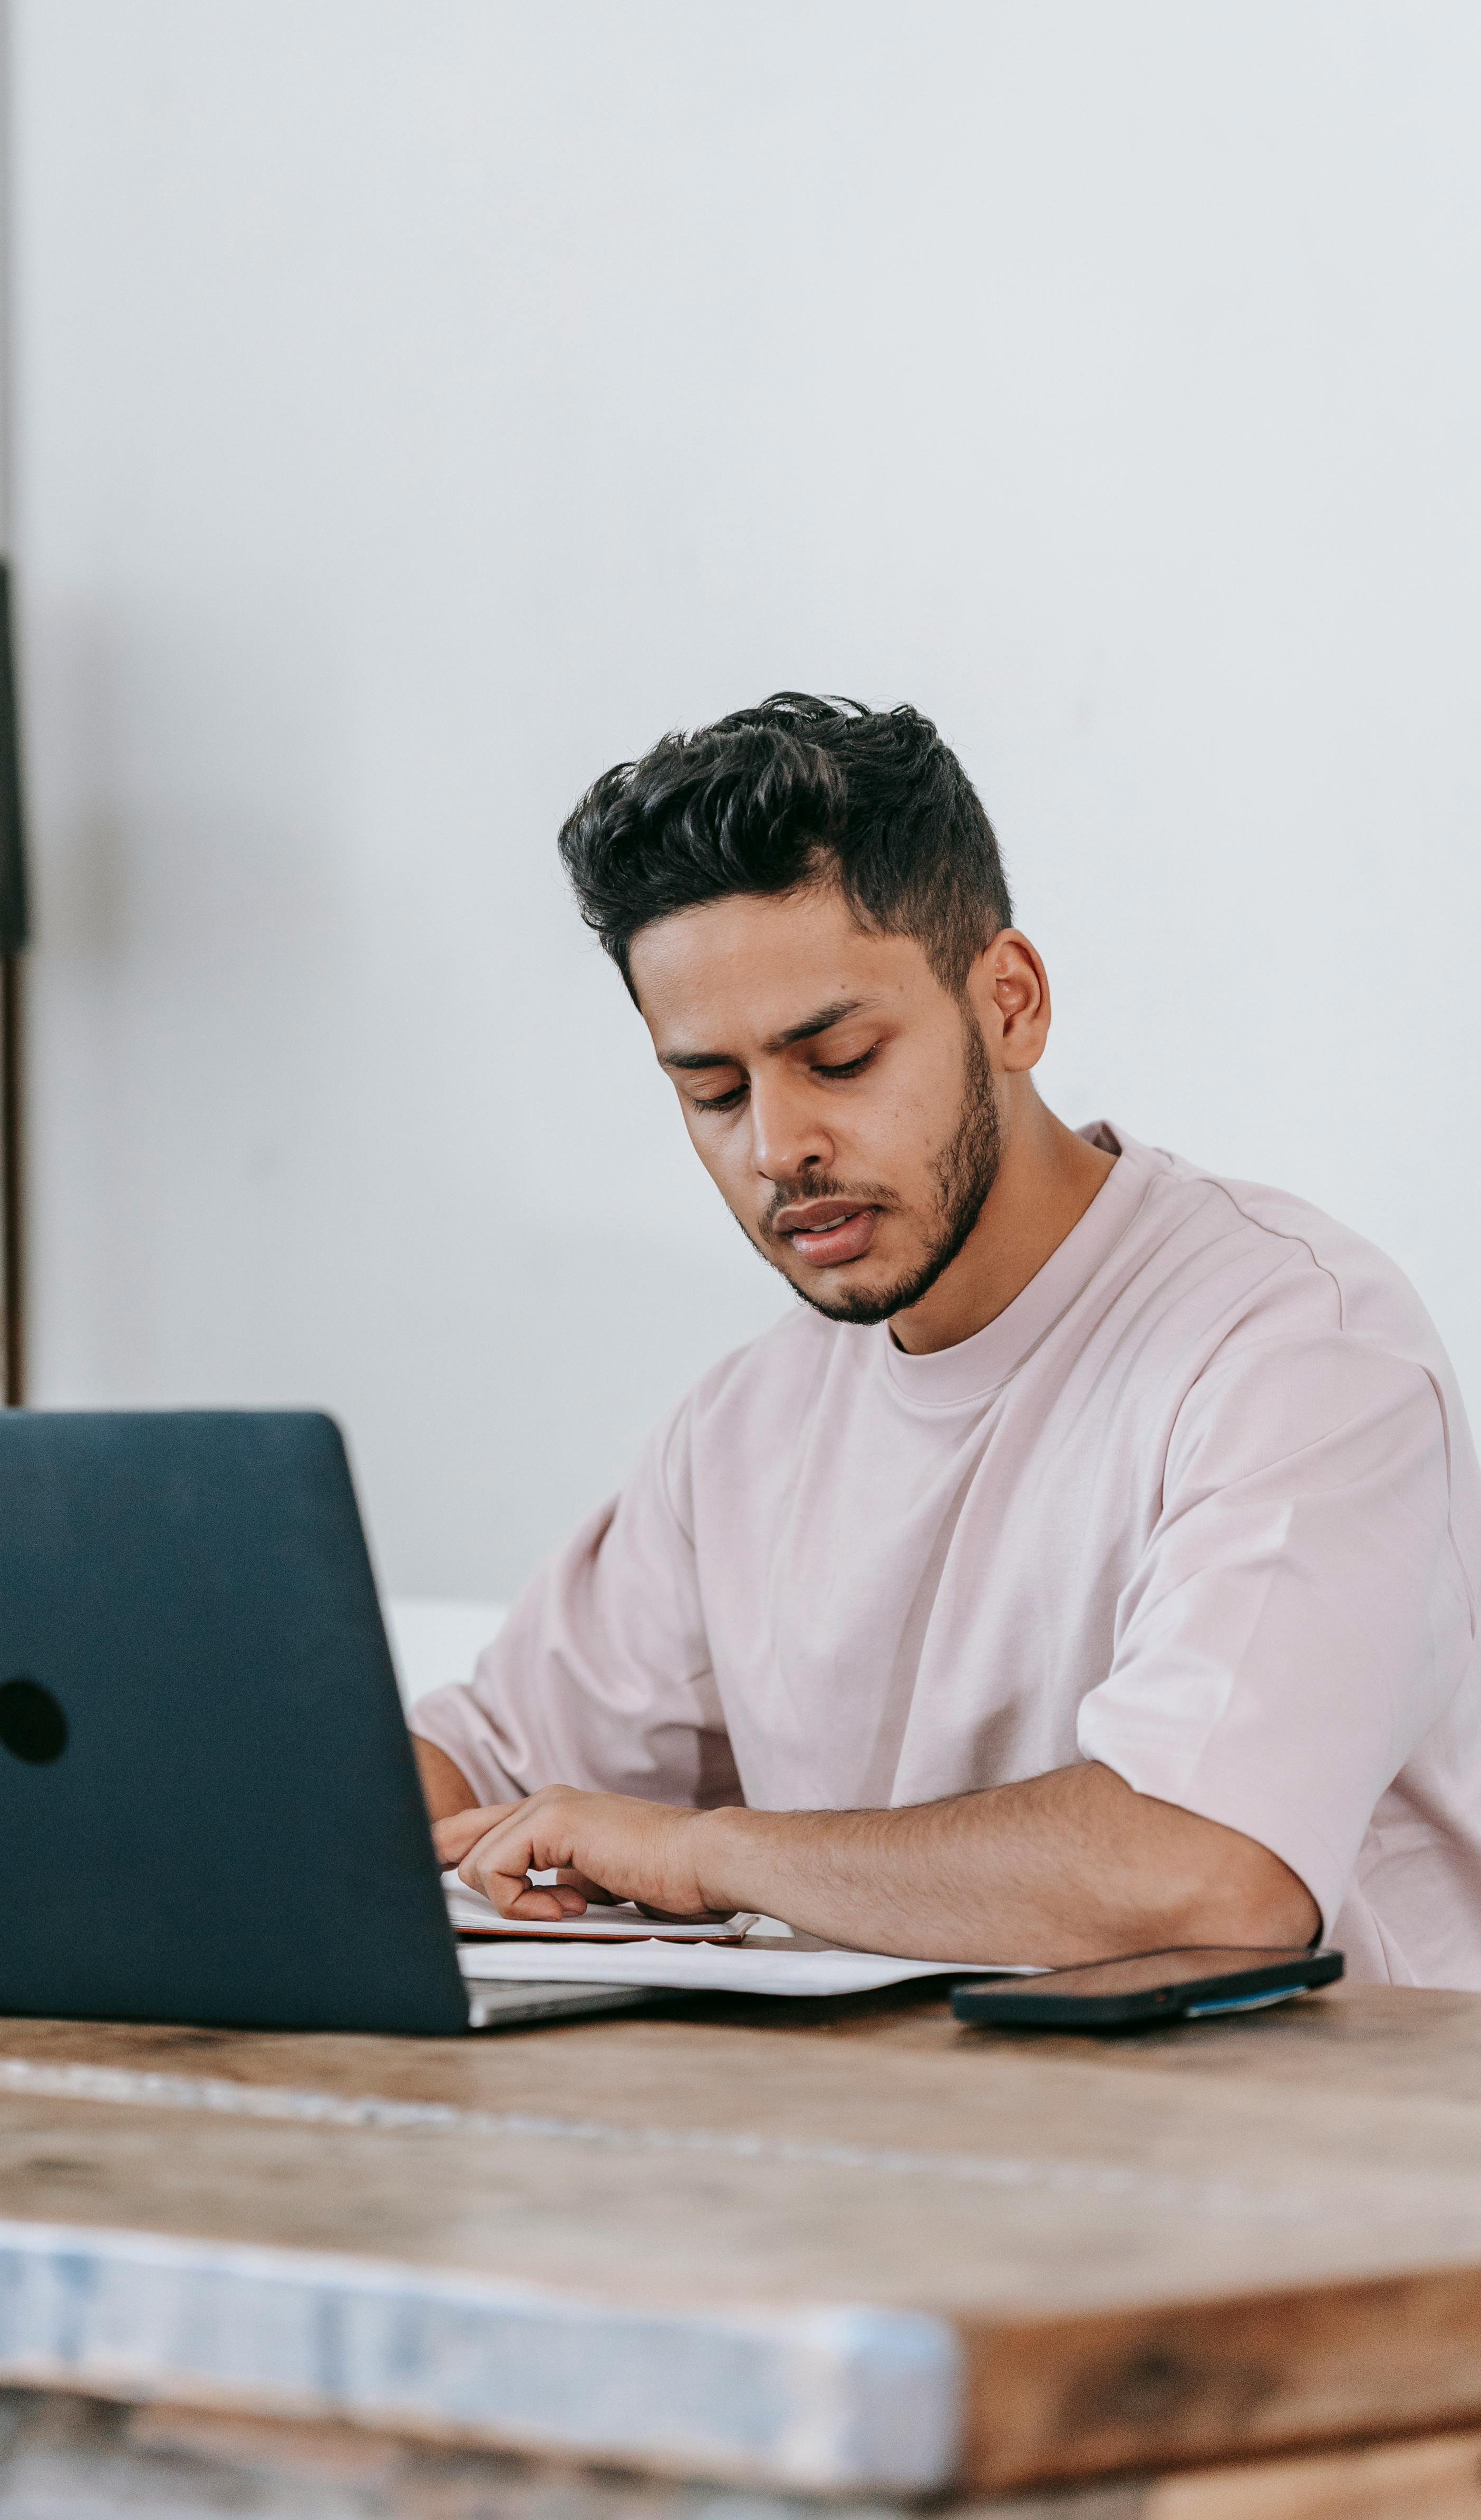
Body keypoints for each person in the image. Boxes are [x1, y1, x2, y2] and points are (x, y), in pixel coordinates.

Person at [411, 696, 1481, 1985]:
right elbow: (484, 1765)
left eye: (840, 1059)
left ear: (1010, 1005)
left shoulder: (1294, 1348)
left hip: (1292, 2157)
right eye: (710, 1089)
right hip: (908, 2149)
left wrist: (709, 1854)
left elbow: (1206, 1875)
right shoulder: (744, 1427)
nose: (773, 1145)